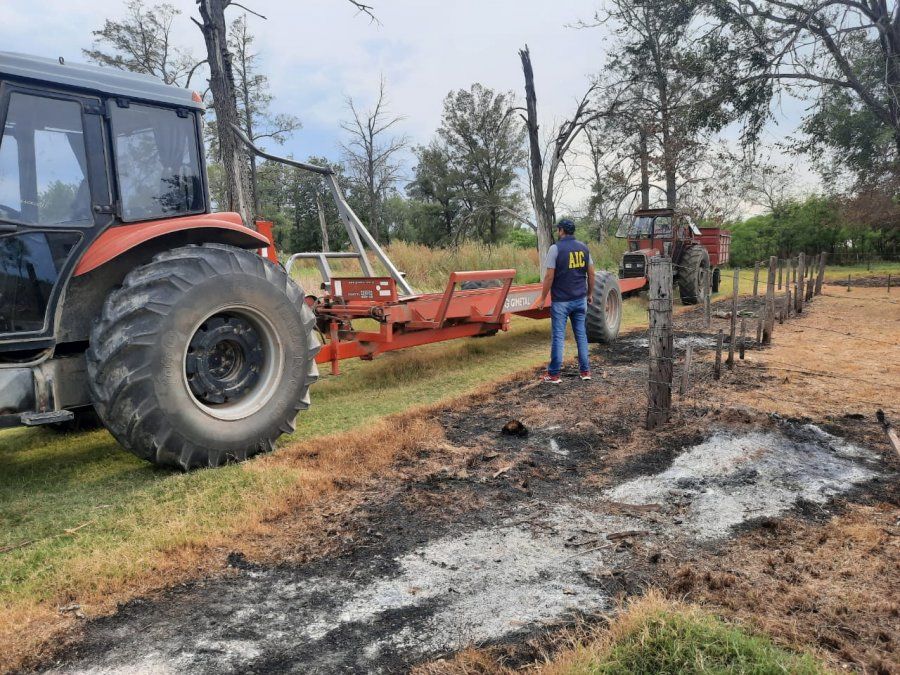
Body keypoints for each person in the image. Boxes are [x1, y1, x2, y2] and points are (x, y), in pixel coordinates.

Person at [536, 218, 595, 384]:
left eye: (558, 229)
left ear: (561, 230)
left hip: (561, 301)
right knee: (581, 335)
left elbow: (549, 276)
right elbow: (591, 274)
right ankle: (585, 371)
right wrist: (589, 293)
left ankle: (554, 374)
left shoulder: (555, 249)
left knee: (558, 337)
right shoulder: (584, 248)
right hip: (580, 299)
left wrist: (542, 298)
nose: (557, 232)